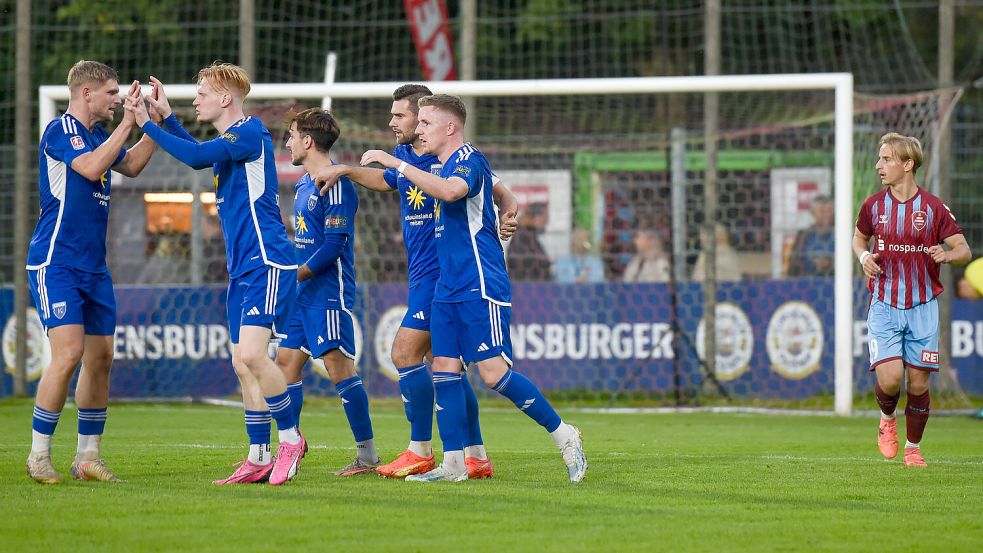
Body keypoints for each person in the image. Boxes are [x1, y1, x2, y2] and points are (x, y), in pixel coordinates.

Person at [358, 94, 587, 483]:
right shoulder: (439, 163)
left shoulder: (469, 160)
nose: (420, 130)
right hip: (447, 284)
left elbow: (450, 192)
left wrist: (396, 163)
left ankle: (565, 434)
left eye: (426, 123)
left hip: (479, 281)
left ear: (450, 127)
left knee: (494, 373)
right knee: (444, 369)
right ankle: (453, 463)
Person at [312, 84, 518, 479]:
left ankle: (420, 449)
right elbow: (386, 181)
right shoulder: (408, 156)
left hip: (445, 275)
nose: (394, 123)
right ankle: (475, 455)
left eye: (402, 116)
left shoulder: (451, 159)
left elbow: (501, 192)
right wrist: (347, 170)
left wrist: (509, 213)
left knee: (404, 352)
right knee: (445, 367)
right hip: (422, 273)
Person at [127, 65, 305, 485]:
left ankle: (291, 440)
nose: (196, 100)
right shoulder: (231, 141)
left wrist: (146, 125)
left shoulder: (251, 131)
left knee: (252, 356)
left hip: (267, 260)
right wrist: (166, 118)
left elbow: (194, 156)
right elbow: (199, 152)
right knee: (241, 364)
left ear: (226, 99)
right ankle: (258, 455)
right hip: (242, 267)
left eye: (202, 93)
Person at [25, 60, 159, 484]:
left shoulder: (99, 135)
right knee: (67, 354)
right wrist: (128, 124)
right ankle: (38, 455)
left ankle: (88, 457)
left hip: (94, 267)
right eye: (111, 92)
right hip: (57, 261)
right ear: (86, 93)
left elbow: (132, 165)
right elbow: (89, 168)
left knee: (100, 358)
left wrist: (152, 123)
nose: (117, 99)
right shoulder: (60, 130)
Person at [854, 132, 971, 467]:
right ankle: (887, 418)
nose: (879, 165)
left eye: (887, 159)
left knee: (918, 382)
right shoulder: (874, 206)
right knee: (890, 379)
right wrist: (864, 258)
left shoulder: (933, 208)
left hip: (922, 306)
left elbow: (963, 249)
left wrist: (948, 255)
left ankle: (913, 448)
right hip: (885, 303)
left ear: (908, 164)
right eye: (879, 158)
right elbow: (859, 238)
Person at [275, 108, 380, 476]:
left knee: (339, 368)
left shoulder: (335, 184)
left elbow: (335, 245)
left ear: (308, 141)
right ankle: (290, 444)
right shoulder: (304, 183)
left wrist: (295, 275)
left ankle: (367, 456)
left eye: (291, 134)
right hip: (304, 293)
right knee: (285, 365)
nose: (287, 141)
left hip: (327, 293)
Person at [786, 195, 835, 277]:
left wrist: (830, 263)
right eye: (822, 211)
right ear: (813, 213)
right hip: (806, 284)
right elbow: (793, 263)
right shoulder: (803, 236)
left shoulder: (841, 236)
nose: (826, 215)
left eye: (829, 211)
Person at [508, 202, 552, 281]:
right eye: (545, 217)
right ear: (535, 217)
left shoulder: (528, 236)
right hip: (527, 289)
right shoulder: (523, 237)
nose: (546, 222)